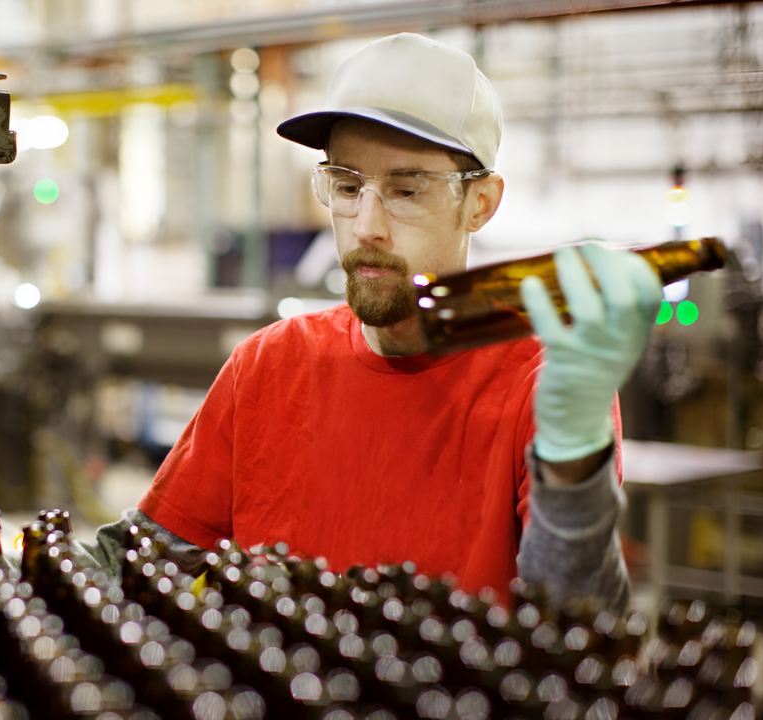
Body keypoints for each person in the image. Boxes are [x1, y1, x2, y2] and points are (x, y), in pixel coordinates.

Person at [78, 33, 662, 611]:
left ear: (480, 203)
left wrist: (572, 455)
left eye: (406, 190)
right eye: (347, 186)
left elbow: (577, 625)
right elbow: (136, 563)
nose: (366, 227)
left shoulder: (542, 384)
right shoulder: (267, 366)